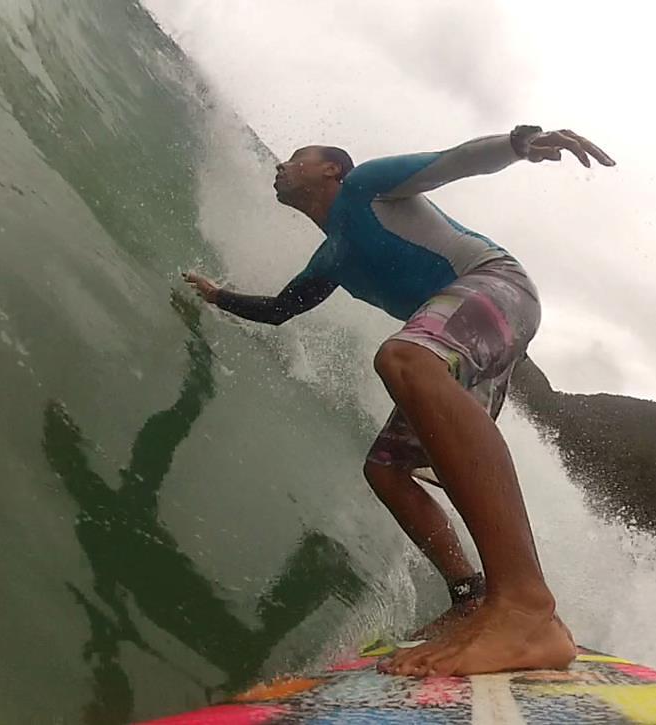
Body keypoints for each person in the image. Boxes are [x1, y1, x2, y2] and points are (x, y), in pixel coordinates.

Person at [184, 126, 615, 677]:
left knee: (404, 357)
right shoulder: (330, 258)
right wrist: (218, 297)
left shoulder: (367, 186)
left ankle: (527, 609)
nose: (280, 166)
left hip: (497, 285)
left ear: (331, 170)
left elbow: (452, 160)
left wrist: (517, 144)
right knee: (387, 469)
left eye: (295, 158)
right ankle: (471, 596)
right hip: (470, 338)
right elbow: (278, 310)